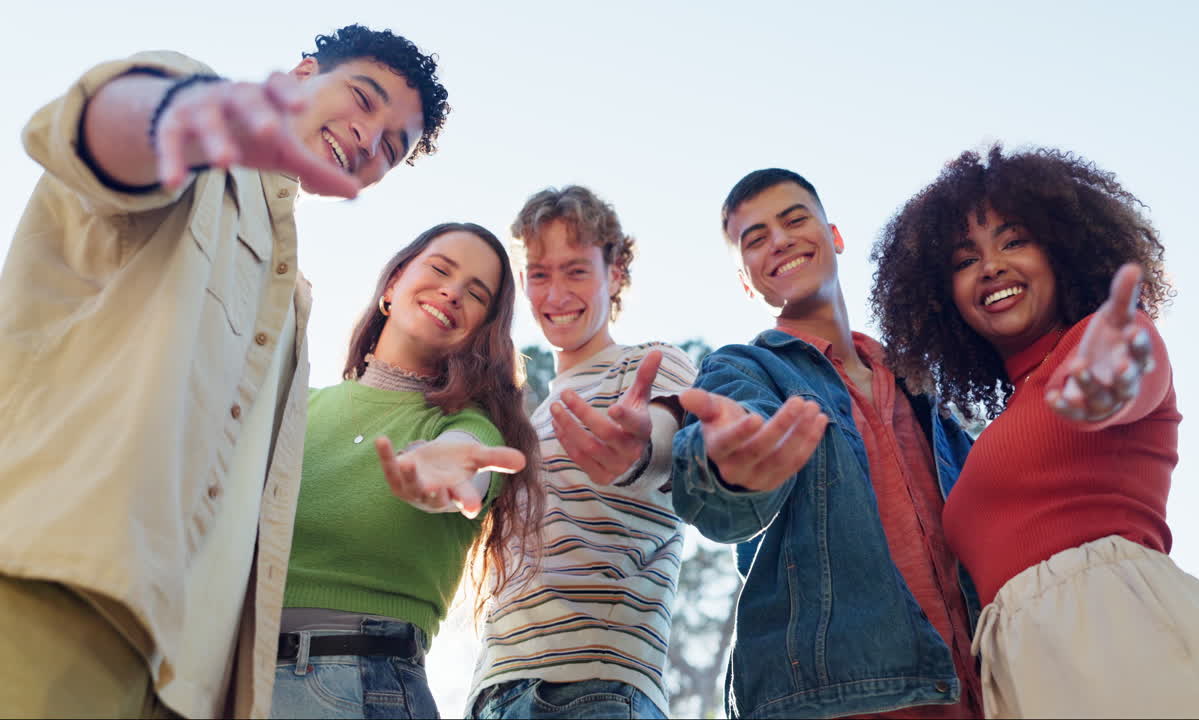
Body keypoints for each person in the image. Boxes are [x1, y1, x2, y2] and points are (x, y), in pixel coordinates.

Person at [0, 24, 449, 718]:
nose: (368, 139)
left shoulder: (296, 304)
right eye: (363, 99)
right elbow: (105, 131)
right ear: (302, 74)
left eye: (392, 146)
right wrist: (185, 119)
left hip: (184, 676)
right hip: (55, 590)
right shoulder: (199, 123)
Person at [868, 145, 1199, 718]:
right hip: (1025, 667)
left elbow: (1126, 370)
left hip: (1123, 638)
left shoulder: (1106, 336)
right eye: (965, 260)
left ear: (1063, 251)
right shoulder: (995, 428)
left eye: (1014, 241)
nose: (990, 267)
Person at [669, 169, 982, 719]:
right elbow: (723, 493)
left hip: (978, 688)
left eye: (794, 220)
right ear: (747, 281)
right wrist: (732, 467)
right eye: (756, 238)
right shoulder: (744, 368)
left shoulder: (922, 383)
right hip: (839, 701)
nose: (781, 240)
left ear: (834, 236)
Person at [272, 222, 542, 719]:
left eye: (476, 294)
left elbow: (465, 460)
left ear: (482, 331)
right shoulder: (295, 405)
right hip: (232, 675)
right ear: (393, 283)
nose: (452, 292)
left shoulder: (472, 427)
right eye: (441, 269)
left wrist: (443, 472)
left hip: (358, 685)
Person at [467, 186, 697, 720]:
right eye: (540, 273)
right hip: (495, 690)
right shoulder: (524, 421)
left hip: (595, 690)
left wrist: (641, 450)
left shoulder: (648, 366)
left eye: (576, 270)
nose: (556, 293)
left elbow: (667, 442)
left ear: (614, 273)